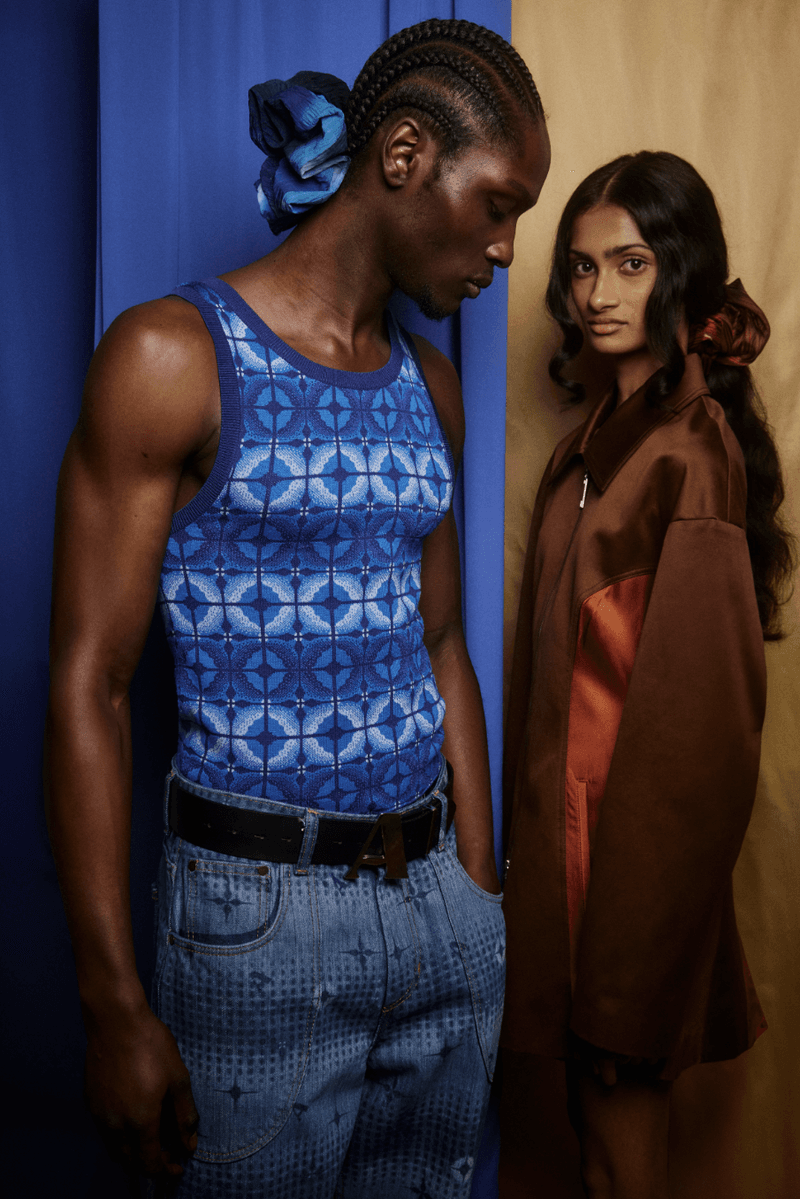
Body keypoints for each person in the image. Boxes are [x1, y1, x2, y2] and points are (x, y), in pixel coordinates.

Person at [44, 18, 550, 1198]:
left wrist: (478, 889)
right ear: (404, 154)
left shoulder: (430, 384)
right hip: (257, 926)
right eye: (497, 205)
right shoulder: (172, 356)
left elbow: (440, 640)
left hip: (438, 909)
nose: (505, 248)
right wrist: (111, 1002)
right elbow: (88, 683)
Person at [501, 150, 794, 1199]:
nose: (597, 293)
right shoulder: (587, 447)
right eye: (582, 267)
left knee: (623, 1157)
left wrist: (635, 941)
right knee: (592, 1148)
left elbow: (699, 734)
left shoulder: (689, 452)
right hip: (561, 854)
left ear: (682, 269)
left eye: (629, 263)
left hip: (625, 872)